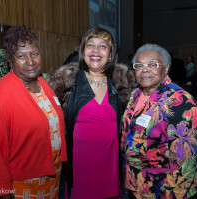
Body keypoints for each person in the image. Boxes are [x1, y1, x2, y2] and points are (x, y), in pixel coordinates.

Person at [46, 27, 136, 199]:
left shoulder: (123, 83)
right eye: (90, 45)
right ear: (83, 51)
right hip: (79, 173)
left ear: (110, 54)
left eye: (102, 46)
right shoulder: (64, 83)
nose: (95, 50)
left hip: (110, 171)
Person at [0, 25, 67, 199]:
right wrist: (3, 190)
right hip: (22, 182)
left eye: (34, 54)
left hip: (50, 175)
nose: (30, 61)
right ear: (10, 60)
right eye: (21, 56)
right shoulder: (0, 93)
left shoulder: (43, 84)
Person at [121, 44, 197, 199]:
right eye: (139, 65)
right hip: (137, 184)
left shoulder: (180, 101)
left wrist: (170, 195)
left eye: (153, 64)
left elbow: (183, 161)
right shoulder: (136, 94)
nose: (144, 69)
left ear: (165, 69)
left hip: (164, 190)